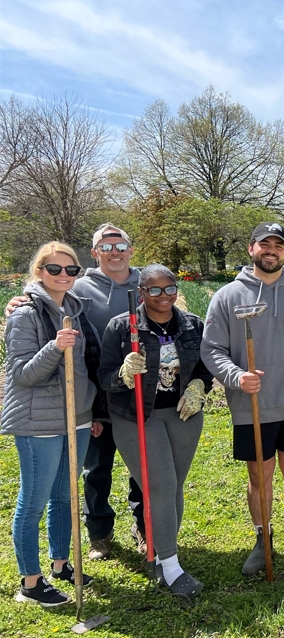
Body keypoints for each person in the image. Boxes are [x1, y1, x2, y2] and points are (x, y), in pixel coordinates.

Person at [5, 224, 145, 561]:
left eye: (120, 244)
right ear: (95, 253)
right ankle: (99, 533)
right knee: (96, 468)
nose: (115, 251)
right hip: (91, 394)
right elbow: (44, 297)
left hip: (136, 391)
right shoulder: (79, 289)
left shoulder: (146, 284)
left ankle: (143, 528)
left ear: (130, 249)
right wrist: (18, 301)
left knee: (142, 465)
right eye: (106, 246)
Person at [201, 223, 284, 580]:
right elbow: (212, 349)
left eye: (278, 245)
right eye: (264, 244)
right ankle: (263, 540)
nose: (271, 250)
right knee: (260, 477)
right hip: (251, 407)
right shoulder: (227, 297)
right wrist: (236, 377)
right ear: (251, 247)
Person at [98, 265, 213, 599]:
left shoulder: (192, 325)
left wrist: (199, 384)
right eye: (154, 290)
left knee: (174, 485)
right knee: (159, 485)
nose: (164, 296)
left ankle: (164, 554)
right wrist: (122, 373)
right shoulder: (122, 328)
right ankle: (171, 566)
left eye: (170, 288)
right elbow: (104, 377)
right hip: (136, 416)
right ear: (141, 291)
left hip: (182, 413)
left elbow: (206, 364)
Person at [2, 242, 100, 607]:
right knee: (34, 502)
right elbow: (22, 374)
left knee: (65, 496)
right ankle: (30, 582)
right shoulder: (24, 314)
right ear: (39, 271)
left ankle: (61, 564)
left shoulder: (74, 308)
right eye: (55, 270)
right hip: (37, 421)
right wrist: (55, 347)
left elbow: (83, 366)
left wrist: (89, 409)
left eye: (71, 270)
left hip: (75, 417)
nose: (63, 276)